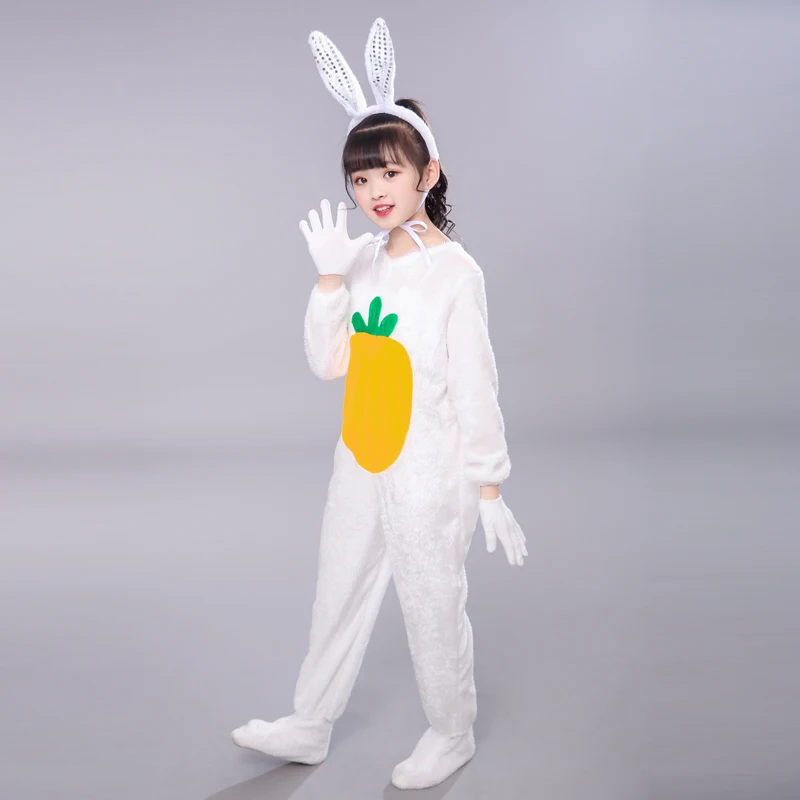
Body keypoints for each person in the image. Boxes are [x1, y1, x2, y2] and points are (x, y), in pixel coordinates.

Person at [231, 18, 527, 790]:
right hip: (360, 457)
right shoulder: (357, 259)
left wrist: (488, 485)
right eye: (360, 181)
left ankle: (451, 731)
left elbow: (476, 382)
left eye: (388, 173)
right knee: (337, 590)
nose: (373, 193)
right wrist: (329, 281)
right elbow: (328, 362)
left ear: (429, 172)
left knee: (431, 602)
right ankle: (310, 722)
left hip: (428, 470)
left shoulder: (455, 273)